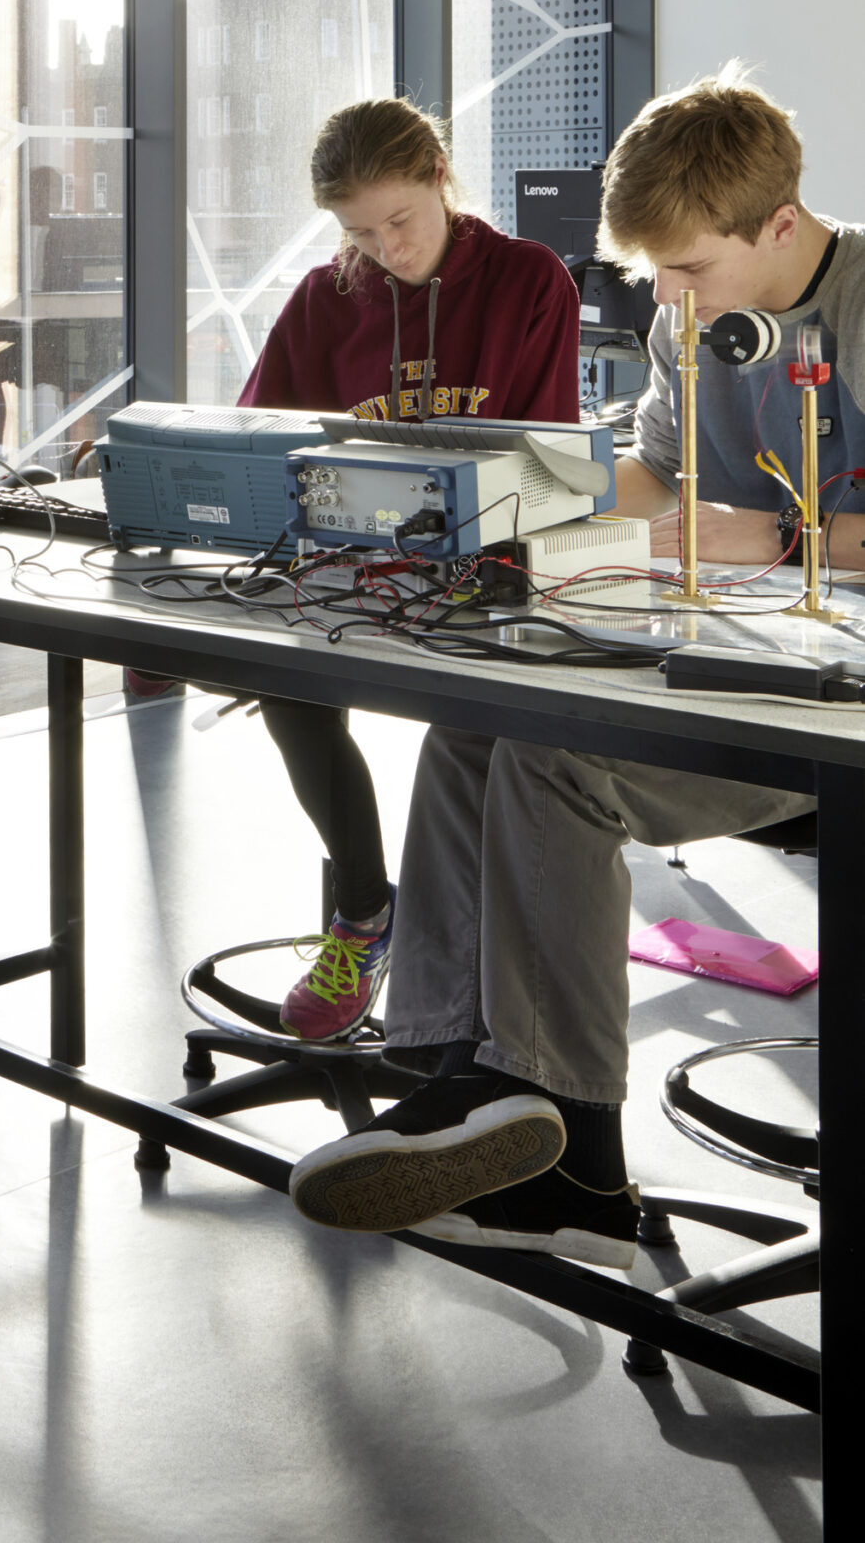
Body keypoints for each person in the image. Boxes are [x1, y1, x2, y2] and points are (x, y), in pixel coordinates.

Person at [287, 69, 851, 1266]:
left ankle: (579, 1161)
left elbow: (756, 524)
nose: (669, 298)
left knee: (554, 760)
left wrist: (787, 536)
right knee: (471, 729)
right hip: (734, 651)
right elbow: (649, 472)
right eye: (652, 275)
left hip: (836, 705)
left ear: (783, 230)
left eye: (689, 271)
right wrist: (527, 490)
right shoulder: (682, 313)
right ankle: (455, 1069)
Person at [131, 97, 581, 1042]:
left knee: (475, 736)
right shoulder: (322, 298)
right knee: (283, 672)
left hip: (484, 570)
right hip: (347, 566)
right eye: (358, 231)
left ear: (439, 176)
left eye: (399, 221)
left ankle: (463, 984)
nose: (385, 248)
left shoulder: (529, 280)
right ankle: (365, 909)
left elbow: (549, 462)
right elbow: (259, 445)